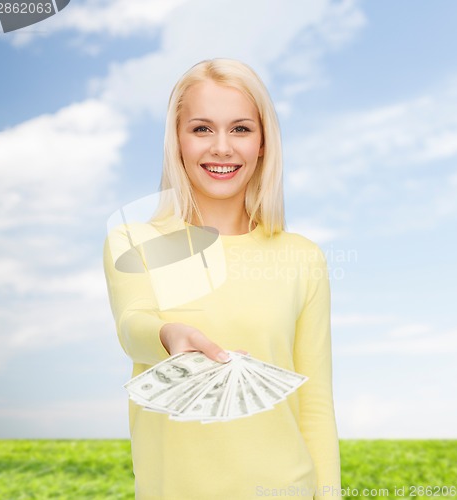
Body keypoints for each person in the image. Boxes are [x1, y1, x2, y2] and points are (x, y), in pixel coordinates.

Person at [104, 58, 341, 500]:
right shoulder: (134, 241)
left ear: (263, 143)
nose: (222, 148)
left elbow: (315, 406)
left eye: (240, 129)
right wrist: (166, 335)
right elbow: (132, 326)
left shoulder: (301, 257)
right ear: (177, 141)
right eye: (201, 129)